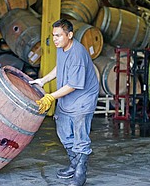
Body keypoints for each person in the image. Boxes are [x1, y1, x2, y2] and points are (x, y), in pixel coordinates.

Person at [29, 19, 99, 186]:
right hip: (66, 97)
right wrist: (43, 80)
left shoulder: (77, 54)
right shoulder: (61, 48)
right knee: (63, 131)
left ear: (70, 35)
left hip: (83, 99)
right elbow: (59, 67)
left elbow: (74, 85)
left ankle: (80, 173)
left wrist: (51, 96)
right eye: (53, 35)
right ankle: (74, 165)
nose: (55, 39)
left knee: (80, 136)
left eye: (59, 35)